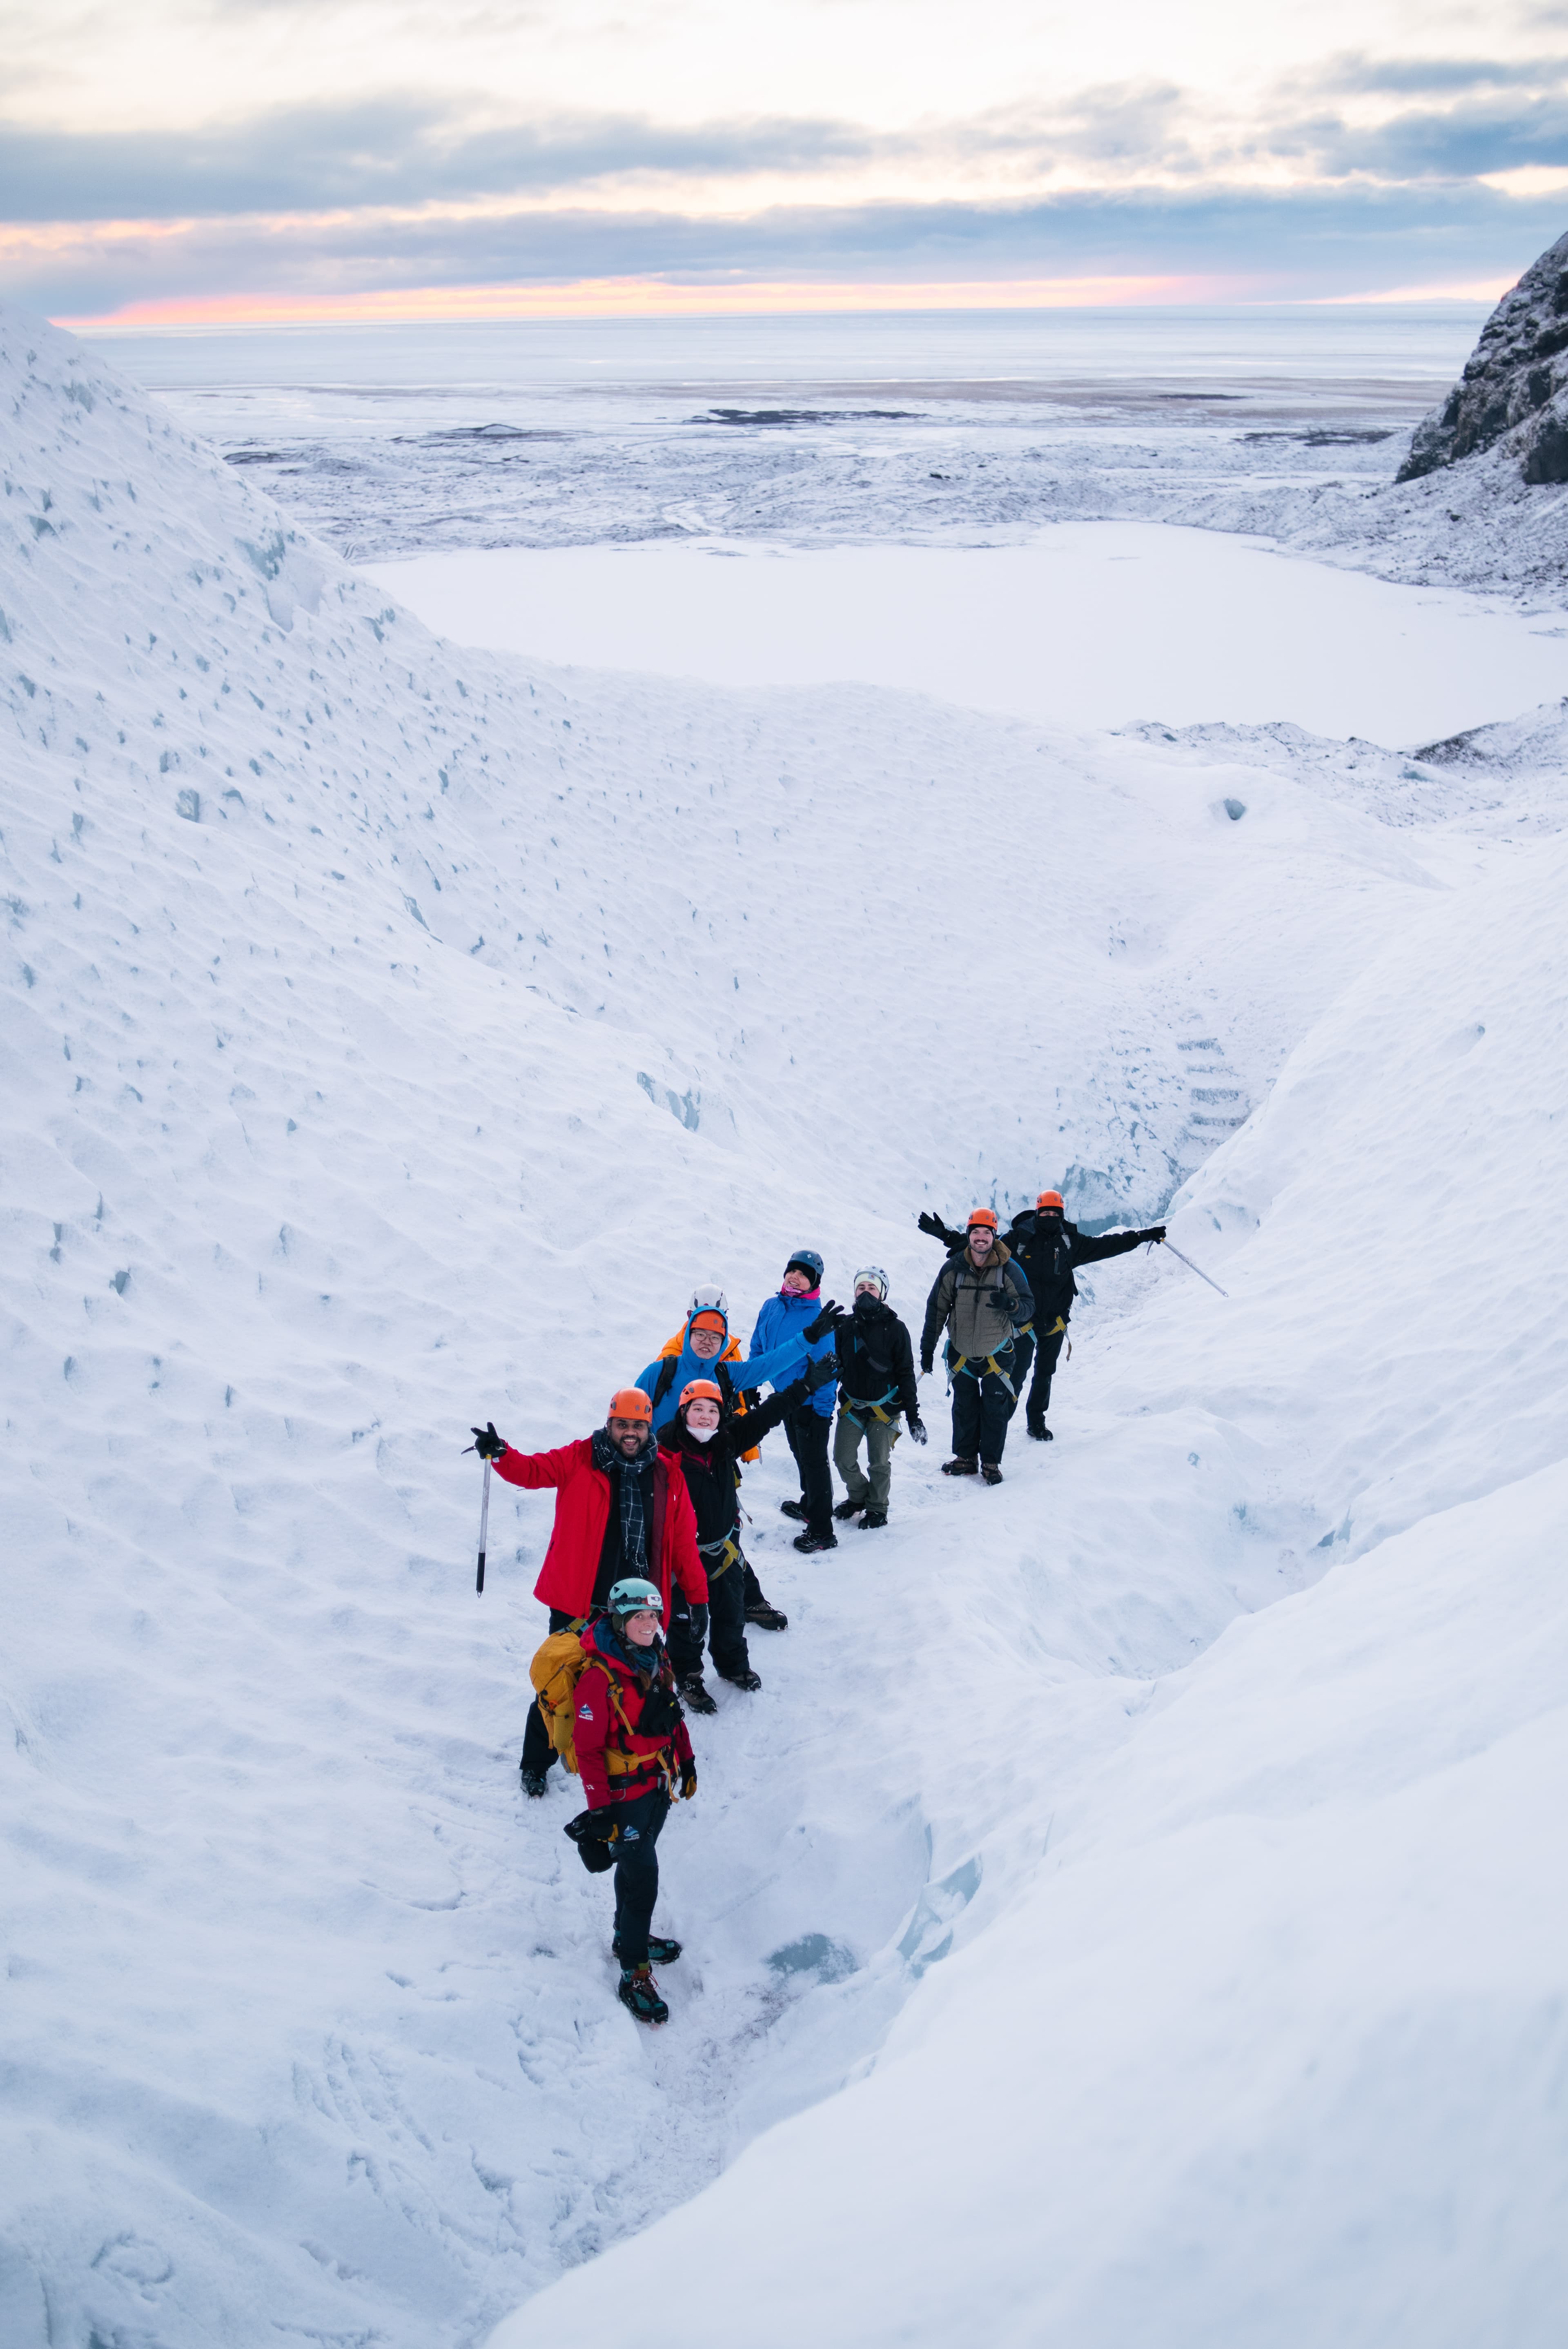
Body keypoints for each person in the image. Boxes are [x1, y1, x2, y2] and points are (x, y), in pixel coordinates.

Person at [470, 1389, 705, 1798]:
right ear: (610, 1423)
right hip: (581, 1600)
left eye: (638, 1425)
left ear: (649, 1428)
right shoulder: (580, 1457)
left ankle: (632, 1757)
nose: (630, 1433)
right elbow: (532, 1471)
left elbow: (684, 1544)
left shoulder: (669, 1474)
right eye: (623, 1424)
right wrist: (502, 1453)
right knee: (561, 1683)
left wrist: (699, 1598)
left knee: (641, 1682)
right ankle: (535, 1762)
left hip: (638, 1605)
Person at [658, 1358, 835, 1704]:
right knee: (686, 1624)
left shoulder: (726, 1442)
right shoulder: (664, 1453)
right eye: (698, 1409)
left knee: (730, 1613)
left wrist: (807, 1386)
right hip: (683, 1559)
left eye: (713, 1409)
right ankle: (688, 1676)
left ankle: (733, 1666)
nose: (706, 1416)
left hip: (724, 1553)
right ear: (684, 1413)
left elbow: (768, 1414)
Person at [564, 1575, 696, 2025]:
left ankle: (626, 1937)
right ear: (620, 1621)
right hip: (624, 1797)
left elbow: (671, 1713)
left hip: (655, 1785)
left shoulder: (654, 1657)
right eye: (639, 1615)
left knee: (636, 1865)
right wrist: (600, 1808)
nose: (650, 1622)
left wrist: (688, 1760)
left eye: (654, 1614)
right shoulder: (598, 1679)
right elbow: (587, 1749)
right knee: (643, 1879)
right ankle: (633, 1972)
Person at [635, 1284, 802, 1636]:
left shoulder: (727, 1372)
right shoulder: (663, 1370)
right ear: (688, 1328)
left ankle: (746, 1600)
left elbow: (768, 1364)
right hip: (667, 1478)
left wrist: (810, 1338)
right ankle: (664, 1622)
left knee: (725, 1541)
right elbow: (633, 1418)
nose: (708, 1340)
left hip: (713, 1472)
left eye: (717, 1334)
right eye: (701, 1333)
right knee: (669, 1547)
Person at [1002, 1191, 1165, 1439]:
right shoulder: (1018, 1239)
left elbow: (1110, 1245)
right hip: (1024, 1322)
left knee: (1044, 1374)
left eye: (1054, 1213)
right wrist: (948, 1238)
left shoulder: (1071, 1243)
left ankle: (1036, 1422)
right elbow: (984, 1248)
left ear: (1061, 1215)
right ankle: (998, 1422)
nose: (1049, 1217)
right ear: (1037, 1213)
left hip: (1054, 1323)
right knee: (1016, 1374)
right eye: (1045, 1212)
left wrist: (1144, 1236)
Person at [918, 1208, 1032, 1483]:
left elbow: (1028, 1308)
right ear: (969, 1235)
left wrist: (1011, 1305)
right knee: (965, 1406)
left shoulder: (1009, 1270)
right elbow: (937, 1309)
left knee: (995, 1407)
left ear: (994, 1236)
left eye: (986, 1233)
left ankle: (991, 1462)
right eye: (976, 1232)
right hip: (962, 1352)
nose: (981, 1238)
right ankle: (966, 1458)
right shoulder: (953, 1268)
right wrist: (927, 1349)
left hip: (997, 1352)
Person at [748, 1250, 841, 1554]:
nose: (795, 1276)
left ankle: (822, 1529)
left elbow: (828, 1368)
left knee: (815, 1462)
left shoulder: (817, 1317)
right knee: (800, 1453)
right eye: (792, 1271)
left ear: (814, 1281)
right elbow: (759, 1344)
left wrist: (822, 1413)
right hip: (786, 1399)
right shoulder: (772, 1306)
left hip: (812, 1403)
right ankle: (809, 1504)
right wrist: (751, 1380)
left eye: (803, 1273)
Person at [828, 1268, 926, 1528]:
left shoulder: (896, 1329)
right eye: (861, 1289)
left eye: (872, 1289)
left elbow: (906, 1373)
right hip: (852, 1406)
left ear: (882, 1293)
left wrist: (914, 1416)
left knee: (879, 1463)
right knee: (842, 1459)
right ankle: (859, 1497)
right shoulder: (845, 1326)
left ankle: (878, 1508)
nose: (866, 1294)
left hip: (885, 1409)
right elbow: (834, 1367)